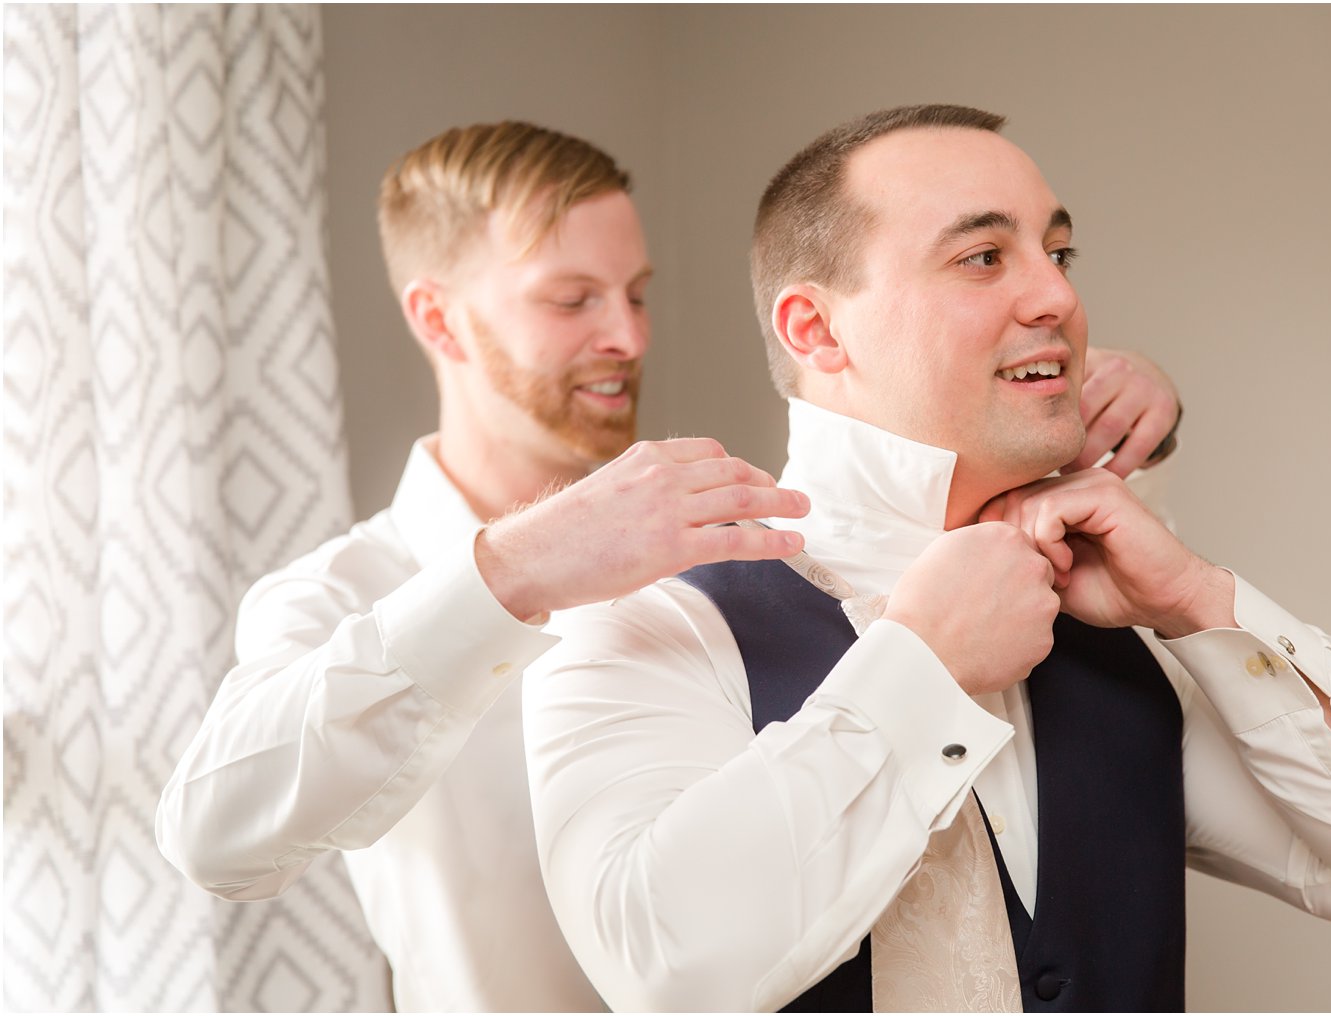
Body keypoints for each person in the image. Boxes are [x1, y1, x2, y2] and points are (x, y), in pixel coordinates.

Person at [155, 119, 1183, 1012]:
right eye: (571, 299)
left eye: (637, 292)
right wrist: (516, 572)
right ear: (437, 318)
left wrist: (1050, 404)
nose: (627, 336)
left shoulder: (741, 553)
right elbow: (214, 838)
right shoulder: (341, 591)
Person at [521, 104, 1331, 1013]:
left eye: (1057, 250)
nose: (1058, 294)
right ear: (815, 328)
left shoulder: (1109, 627)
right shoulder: (652, 620)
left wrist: (1197, 600)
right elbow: (660, 966)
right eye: (983, 256)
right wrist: (922, 666)